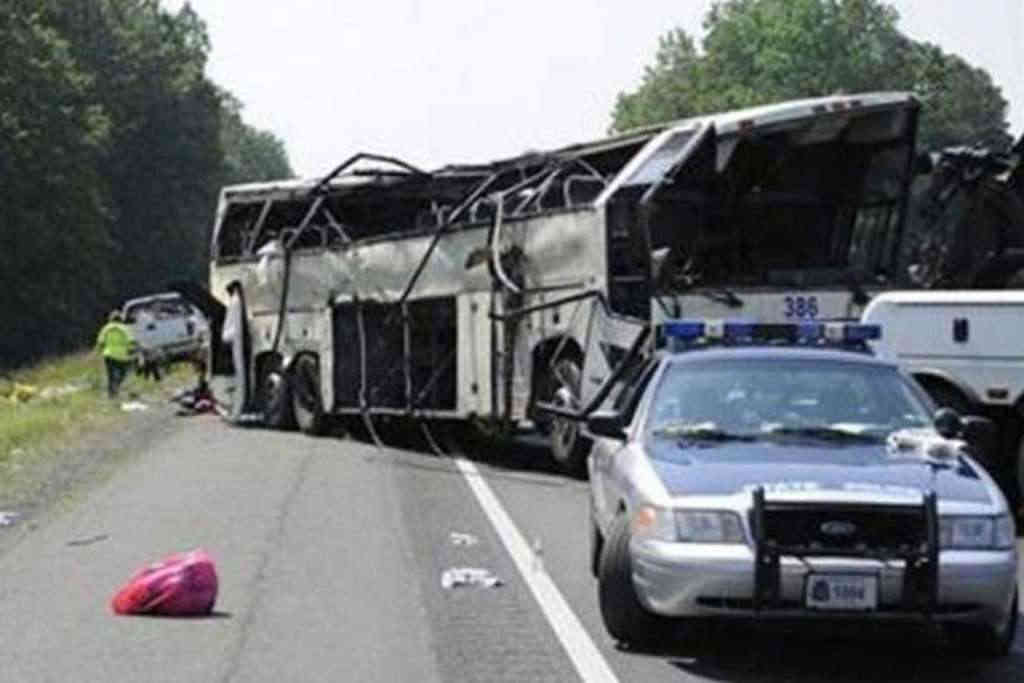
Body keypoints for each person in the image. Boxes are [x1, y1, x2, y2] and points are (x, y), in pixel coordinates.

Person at [95, 310, 136, 399]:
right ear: (121, 319)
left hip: (109, 355)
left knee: (110, 375)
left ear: (110, 319)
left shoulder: (106, 328)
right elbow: (131, 341)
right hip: (123, 356)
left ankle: (111, 394)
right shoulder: (125, 328)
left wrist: (99, 351)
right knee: (123, 374)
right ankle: (117, 386)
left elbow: (101, 342)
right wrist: (132, 350)